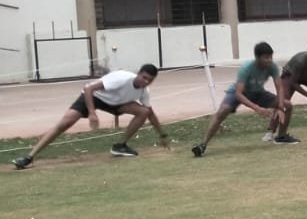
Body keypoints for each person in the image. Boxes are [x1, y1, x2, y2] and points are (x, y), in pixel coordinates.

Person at [13, 64, 168, 169]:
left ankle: (120, 146)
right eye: (144, 77)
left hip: (116, 104)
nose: (145, 82)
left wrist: (162, 134)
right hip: (94, 97)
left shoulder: (144, 91)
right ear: (138, 73)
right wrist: (92, 113)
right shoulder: (121, 78)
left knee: (144, 111)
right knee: (65, 123)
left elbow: (151, 113)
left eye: (149, 80)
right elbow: (88, 89)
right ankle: (29, 157)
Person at [192, 42, 290, 157]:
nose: (269, 60)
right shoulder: (246, 68)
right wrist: (257, 108)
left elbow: (279, 87)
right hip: (238, 93)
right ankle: (203, 145)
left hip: (258, 92)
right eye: (266, 57)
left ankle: (281, 137)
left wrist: (280, 107)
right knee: (223, 110)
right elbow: (238, 94)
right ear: (257, 57)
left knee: (287, 105)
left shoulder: (272, 67)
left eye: (271, 57)